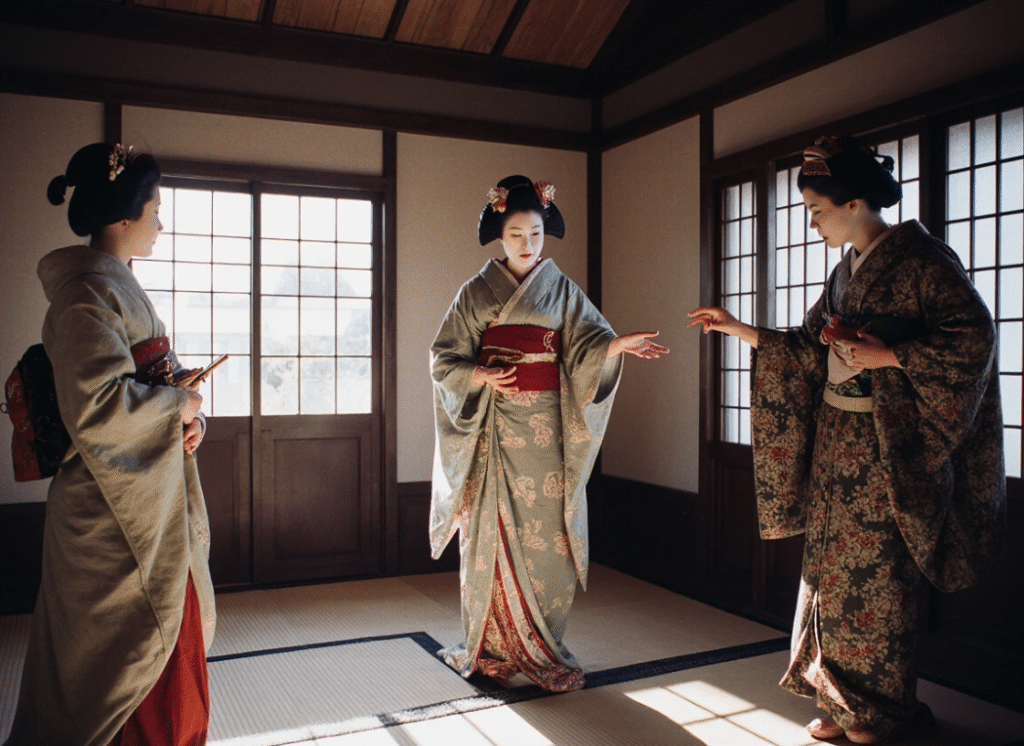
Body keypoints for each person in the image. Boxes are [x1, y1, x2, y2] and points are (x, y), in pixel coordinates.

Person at [688, 136, 1005, 743]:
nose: (811, 223)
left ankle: (880, 711)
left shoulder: (923, 261)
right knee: (829, 570)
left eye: (816, 210)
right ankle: (837, 699)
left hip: (890, 449)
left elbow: (974, 340)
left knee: (879, 577)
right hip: (839, 440)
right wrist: (740, 329)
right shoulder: (846, 272)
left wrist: (889, 352)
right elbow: (809, 349)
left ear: (855, 202)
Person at [4, 143, 216, 746]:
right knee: (110, 666)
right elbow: (97, 409)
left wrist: (186, 423)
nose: (161, 221)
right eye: (155, 208)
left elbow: (147, 386)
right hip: (107, 515)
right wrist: (178, 404)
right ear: (126, 215)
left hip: (146, 501)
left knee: (169, 639)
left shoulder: (114, 287)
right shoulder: (83, 296)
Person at [429, 174, 667, 692]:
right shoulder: (475, 293)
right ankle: (491, 648)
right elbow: (443, 358)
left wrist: (615, 347)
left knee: (549, 541)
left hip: (545, 433)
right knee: (485, 540)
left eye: (535, 233)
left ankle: (542, 647)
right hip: (494, 430)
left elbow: (587, 346)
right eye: (516, 233)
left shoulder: (561, 289)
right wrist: (481, 374)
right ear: (500, 233)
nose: (526, 244)